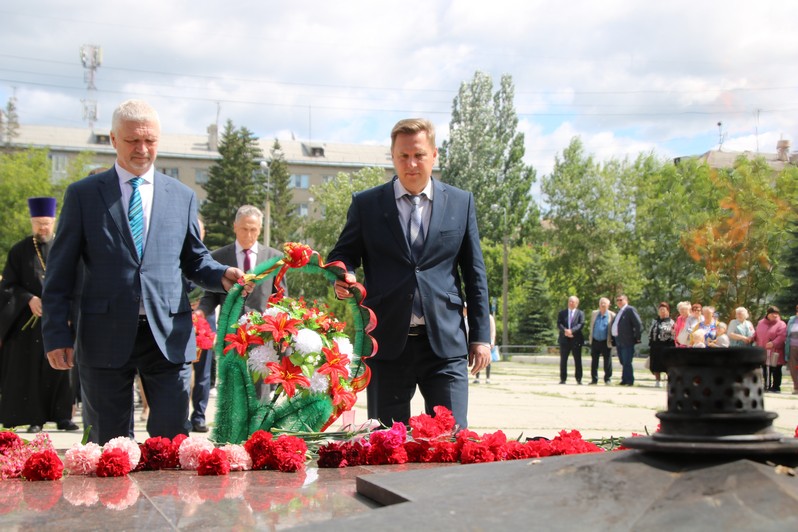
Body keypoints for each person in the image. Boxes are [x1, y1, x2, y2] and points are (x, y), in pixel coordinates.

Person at [41, 99, 246, 445]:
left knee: (170, 448)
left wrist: (222, 274)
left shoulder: (181, 196)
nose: (142, 149)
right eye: (132, 140)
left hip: (168, 336)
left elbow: (195, 260)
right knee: (108, 450)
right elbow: (58, 273)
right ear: (112, 140)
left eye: (150, 140)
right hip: (102, 337)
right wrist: (57, 335)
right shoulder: (83, 195)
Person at [328, 118, 490, 429]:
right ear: (392, 156)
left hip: (445, 345)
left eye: (419, 154)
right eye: (403, 156)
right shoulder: (367, 204)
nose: (411, 163)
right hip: (386, 344)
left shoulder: (460, 202)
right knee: (386, 445)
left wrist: (481, 336)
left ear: (434, 154)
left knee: (451, 440)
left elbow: (474, 273)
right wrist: (343, 274)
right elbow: (343, 255)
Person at [194, 205, 285, 431]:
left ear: (260, 228)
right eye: (244, 229)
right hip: (232, 337)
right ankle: (233, 434)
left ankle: (259, 433)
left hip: (262, 337)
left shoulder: (274, 258)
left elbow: (281, 297)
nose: (249, 234)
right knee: (233, 388)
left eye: (254, 229)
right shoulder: (218, 257)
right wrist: (200, 313)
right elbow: (210, 297)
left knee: (261, 388)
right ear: (235, 227)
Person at [0, 198, 78, 433]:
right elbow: (7, 287)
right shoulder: (20, 250)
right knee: (33, 370)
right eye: (37, 223)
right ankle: (36, 418)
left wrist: (70, 311)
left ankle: (63, 417)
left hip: (61, 319)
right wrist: (29, 299)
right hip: (30, 324)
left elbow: (77, 281)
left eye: (46, 223)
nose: (42, 228)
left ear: (54, 222)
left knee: (64, 369)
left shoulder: (66, 246)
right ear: (31, 222)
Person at [753, 305, 787, 393]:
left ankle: (776, 387)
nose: (774, 315)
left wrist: (773, 343)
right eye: (772, 313)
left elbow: (782, 336)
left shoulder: (781, 324)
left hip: (776, 351)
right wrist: (751, 338)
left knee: (776, 369)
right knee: (765, 369)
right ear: (768, 314)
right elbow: (756, 333)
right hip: (763, 350)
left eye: (776, 314)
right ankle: (766, 386)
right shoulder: (761, 323)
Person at [610, 294, 642, 386]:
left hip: (627, 340)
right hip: (618, 339)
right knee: (623, 361)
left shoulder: (630, 310)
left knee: (627, 361)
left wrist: (637, 337)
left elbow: (638, 324)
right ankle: (624, 379)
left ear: (626, 300)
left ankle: (629, 380)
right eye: (617, 300)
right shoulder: (620, 311)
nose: (619, 302)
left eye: (621, 300)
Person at [557, 296, 585, 384]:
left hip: (576, 339)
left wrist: (571, 331)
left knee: (577, 359)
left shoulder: (580, 313)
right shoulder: (562, 313)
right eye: (570, 301)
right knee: (563, 359)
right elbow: (559, 323)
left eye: (573, 302)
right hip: (564, 339)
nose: (571, 303)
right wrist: (565, 330)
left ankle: (579, 378)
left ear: (577, 303)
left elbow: (581, 324)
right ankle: (563, 378)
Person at [588, 297, 615, 385]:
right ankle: (594, 379)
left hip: (606, 341)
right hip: (595, 340)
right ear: (599, 305)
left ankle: (607, 379)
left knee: (607, 361)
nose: (603, 305)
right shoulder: (594, 313)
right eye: (601, 303)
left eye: (605, 303)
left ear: (608, 305)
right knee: (594, 361)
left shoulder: (612, 315)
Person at [647, 302, 675, 386]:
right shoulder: (655, 321)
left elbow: (673, 334)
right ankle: (657, 381)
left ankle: (668, 380)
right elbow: (650, 333)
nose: (662, 311)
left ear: (668, 311)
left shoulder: (671, 322)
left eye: (664, 310)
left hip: (667, 346)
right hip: (655, 346)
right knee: (655, 364)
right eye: (660, 310)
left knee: (667, 364)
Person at [473, 313, 496, 384]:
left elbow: (493, 330)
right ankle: (477, 377)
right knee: (478, 359)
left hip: (488, 342)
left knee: (488, 361)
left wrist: (492, 341)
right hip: (479, 341)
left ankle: (488, 378)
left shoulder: (489, 317)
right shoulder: (477, 316)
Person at [784, 305, 798, 395]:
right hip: (792, 347)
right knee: (794, 367)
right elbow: (787, 333)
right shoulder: (792, 319)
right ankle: (796, 387)